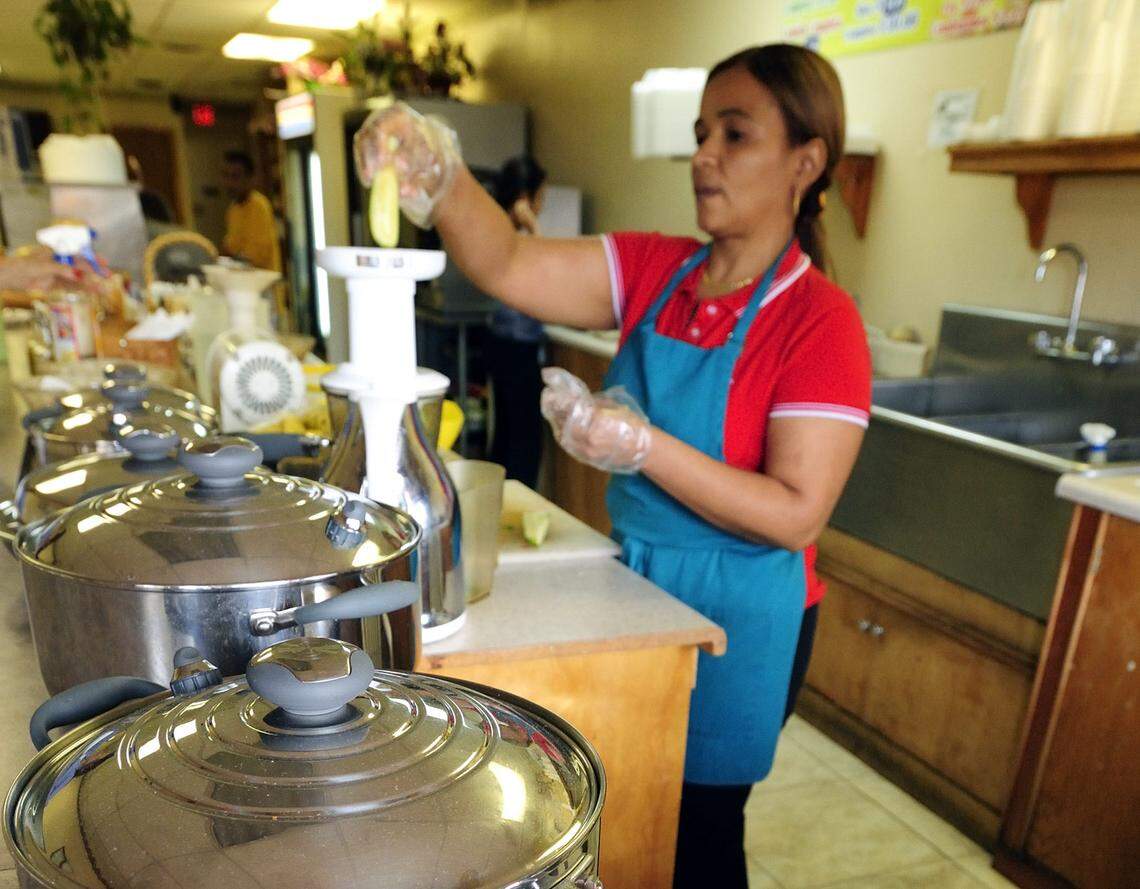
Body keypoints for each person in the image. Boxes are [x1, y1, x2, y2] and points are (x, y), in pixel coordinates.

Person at [355, 43, 871, 888]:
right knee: (620, 795)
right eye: (703, 132)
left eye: (734, 135)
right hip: (636, 582)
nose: (703, 154)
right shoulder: (658, 272)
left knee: (700, 829)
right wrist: (442, 177)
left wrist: (643, 444)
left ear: (805, 162)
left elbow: (796, 513)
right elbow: (508, 263)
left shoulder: (819, 322)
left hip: (742, 610)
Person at [486, 156, 548, 487]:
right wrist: (533, 225)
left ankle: (500, 504)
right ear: (526, 197)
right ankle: (517, 505)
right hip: (516, 345)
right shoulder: (514, 235)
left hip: (501, 342)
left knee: (508, 433)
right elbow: (543, 270)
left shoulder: (497, 226)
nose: (541, 206)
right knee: (524, 438)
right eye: (540, 198)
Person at [220, 150, 281, 273]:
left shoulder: (259, 205)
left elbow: (257, 255)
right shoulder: (234, 208)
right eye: (226, 176)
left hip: (261, 282)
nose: (229, 183)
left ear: (250, 178)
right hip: (242, 280)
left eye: (235, 176)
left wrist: (231, 256)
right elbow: (229, 246)